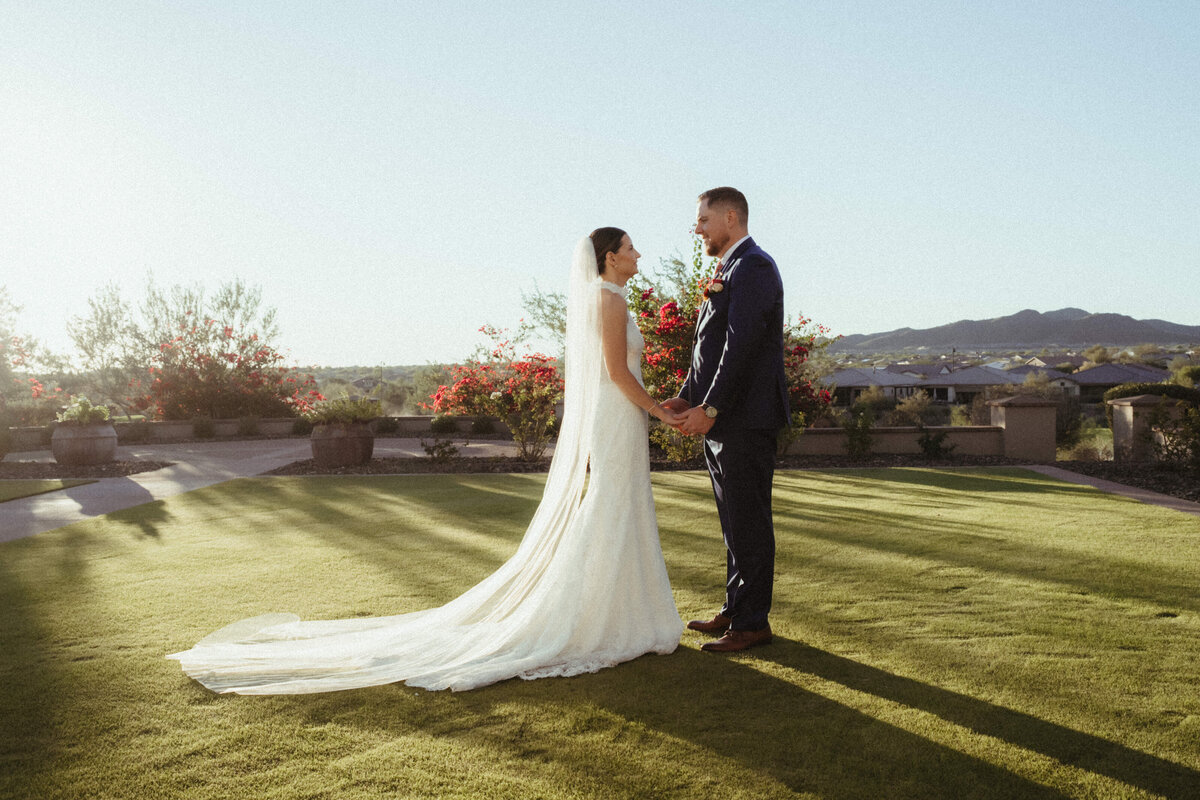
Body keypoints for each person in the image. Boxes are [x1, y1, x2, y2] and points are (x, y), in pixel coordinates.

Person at [167, 229, 684, 693]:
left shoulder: (606, 297)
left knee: (616, 504)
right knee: (612, 505)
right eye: (631, 247)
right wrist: (660, 411)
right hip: (617, 417)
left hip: (617, 419)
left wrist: (655, 407)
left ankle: (613, 611)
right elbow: (617, 374)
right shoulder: (609, 301)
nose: (639, 253)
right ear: (611, 257)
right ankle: (593, 617)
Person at [664, 187, 789, 653]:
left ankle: (753, 623)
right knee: (733, 521)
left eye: (702, 220)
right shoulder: (729, 267)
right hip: (723, 421)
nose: (697, 229)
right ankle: (736, 608)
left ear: (730, 217)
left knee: (750, 522)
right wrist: (687, 398)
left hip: (745, 419)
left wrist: (711, 408)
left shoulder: (753, 266)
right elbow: (710, 350)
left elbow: (742, 347)